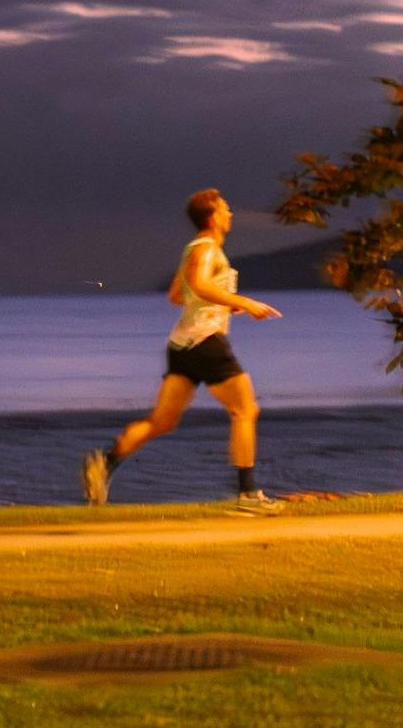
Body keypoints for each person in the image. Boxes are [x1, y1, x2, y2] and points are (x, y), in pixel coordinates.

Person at [82, 188, 283, 514]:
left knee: (162, 421)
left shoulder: (194, 249)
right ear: (213, 216)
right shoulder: (207, 250)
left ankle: (104, 463)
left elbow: (178, 295)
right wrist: (243, 302)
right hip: (205, 342)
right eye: (226, 209)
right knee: (246, 410)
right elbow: (200, 286)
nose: (230, 214)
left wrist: (221, 306)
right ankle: (248, 494)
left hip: (182, 345)